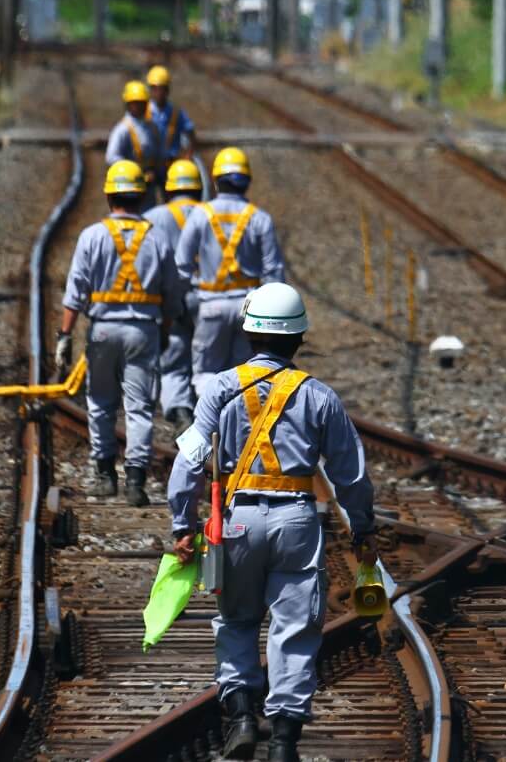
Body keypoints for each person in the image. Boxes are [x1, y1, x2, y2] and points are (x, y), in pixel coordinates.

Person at [168, 283, 376, 762]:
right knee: (295, 629)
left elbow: (188, 463)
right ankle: (283, 742)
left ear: (246, 331)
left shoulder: (219, 387)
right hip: (297, 522)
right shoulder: (320, 396)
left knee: (236, 620)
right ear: (299, 337)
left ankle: (242, 716)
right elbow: (352, 474)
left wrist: (182, 523)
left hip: (235, 522)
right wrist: (362, 527)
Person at [55, 161, 183, 506]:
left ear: (109, 195)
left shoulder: (92, 237)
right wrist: (166, 333)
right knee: (139, 408)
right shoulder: (157, 237)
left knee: (100, 405)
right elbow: (173, 296)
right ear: (141, 196)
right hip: (144, 331)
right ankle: (136, 482)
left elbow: (75, 292)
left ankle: (104, 476)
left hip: (102, 333)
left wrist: (64, 336)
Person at [175, 147, 285, 395]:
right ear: (247, 182)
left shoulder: (199, 215)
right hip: (249, 309)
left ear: (214, 181)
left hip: (211, 306)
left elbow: (181, 266)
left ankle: (210, 427)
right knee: (246, 376)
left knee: (206, 375)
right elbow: (273, 272)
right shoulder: (260, 218)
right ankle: (240, 429)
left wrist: (180, 305)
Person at [144, 160, 203, 434]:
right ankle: (210, 411)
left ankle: (181, 414)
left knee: (174, 360)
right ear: (198, 189)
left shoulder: (154, 217)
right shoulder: (213, 213)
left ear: (167, 190)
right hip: (210, 299)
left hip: (174, 298)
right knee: (210, 361)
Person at [105, 80, 165, 210]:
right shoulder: (122, 129)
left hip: (149, 186)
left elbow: (159, 154)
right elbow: (111, 156)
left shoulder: (152, 127)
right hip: (129, 187)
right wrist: (133, 171)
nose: (139, 107)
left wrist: (158, 173)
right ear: (128, 104)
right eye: (135, 103)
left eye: (142, 103)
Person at [145, 65, 198, 162]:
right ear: (150, 90)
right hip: (150, 164)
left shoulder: (176, 113)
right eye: (155, 88)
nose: (158, 93)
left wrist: (189, 154)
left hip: (171, 162)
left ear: (167, 90)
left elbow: (191, 132)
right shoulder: (144, 112)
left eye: (162, 89)